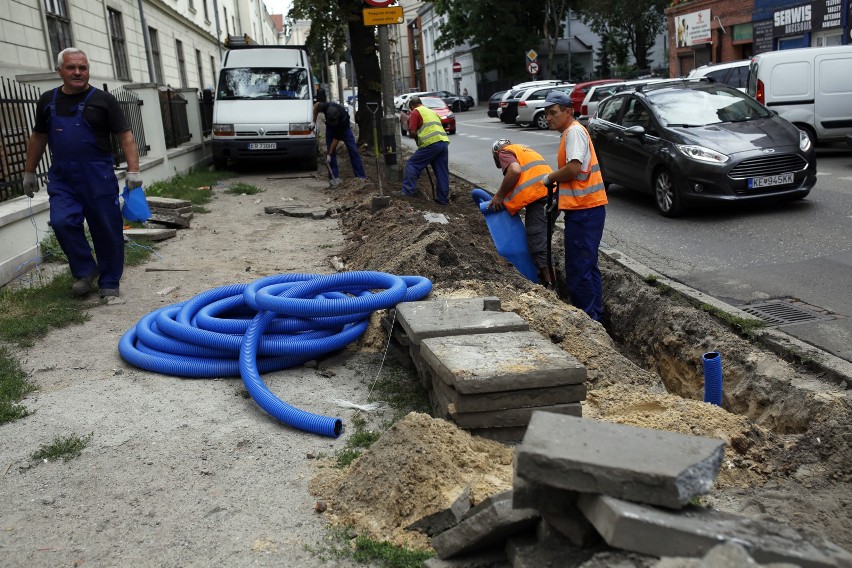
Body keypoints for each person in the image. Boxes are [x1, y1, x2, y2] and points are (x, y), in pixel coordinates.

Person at [23, 47, 141, 300]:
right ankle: (85, 271)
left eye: (83, 68)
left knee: (106, 229)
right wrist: (29, 171)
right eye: (71, 68)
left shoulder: (103, 100)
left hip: (98, 176)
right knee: (62, 222)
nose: (78, 72)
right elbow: (39, 136)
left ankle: (109, 281)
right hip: (63, 178)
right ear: (60, 71)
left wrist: (133, 170)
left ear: (88, 70)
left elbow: (126, 136)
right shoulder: (47, 100)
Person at [541, 90, 607, 321]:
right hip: (585, 209)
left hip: (585, 211)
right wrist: (559, 201)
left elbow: (573, 169)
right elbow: (577, 179)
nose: (548, 117)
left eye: (553, 112)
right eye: (546, 113)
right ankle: (595, 316)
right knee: (588, 267)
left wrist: (550, 178)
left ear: (568, 111)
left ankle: (588, 319)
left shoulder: (574, 133)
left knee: (579, 270)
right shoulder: (571, 133)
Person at [487, 139, 556, 287]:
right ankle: (546, 275)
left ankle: (549, 283)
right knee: (545, 239)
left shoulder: (504, 152)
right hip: (553, 194)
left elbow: (514, 170)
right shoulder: (523, 149)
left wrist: (499, 196)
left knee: (537, 239)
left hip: (541, 197)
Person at [402, 96, 450, 204]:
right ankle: (443, 200)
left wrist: (416, 137)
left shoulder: (415, 111)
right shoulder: (431, 112)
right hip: (443, 143)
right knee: (442, 172)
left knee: (412, 164)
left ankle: (407, 192)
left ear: (412, 106)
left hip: (431, 143)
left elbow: (412, 132)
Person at [312, 100, 366, 183]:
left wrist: (329, 154)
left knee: (353, 151)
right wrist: (313, 122)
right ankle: (333, 179)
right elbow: (316, 106)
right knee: (331, 154)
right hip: (330, 129)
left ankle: (361, 177)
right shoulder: (326, 106)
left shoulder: (343, 117)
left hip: (344, 130)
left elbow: (336, 139)